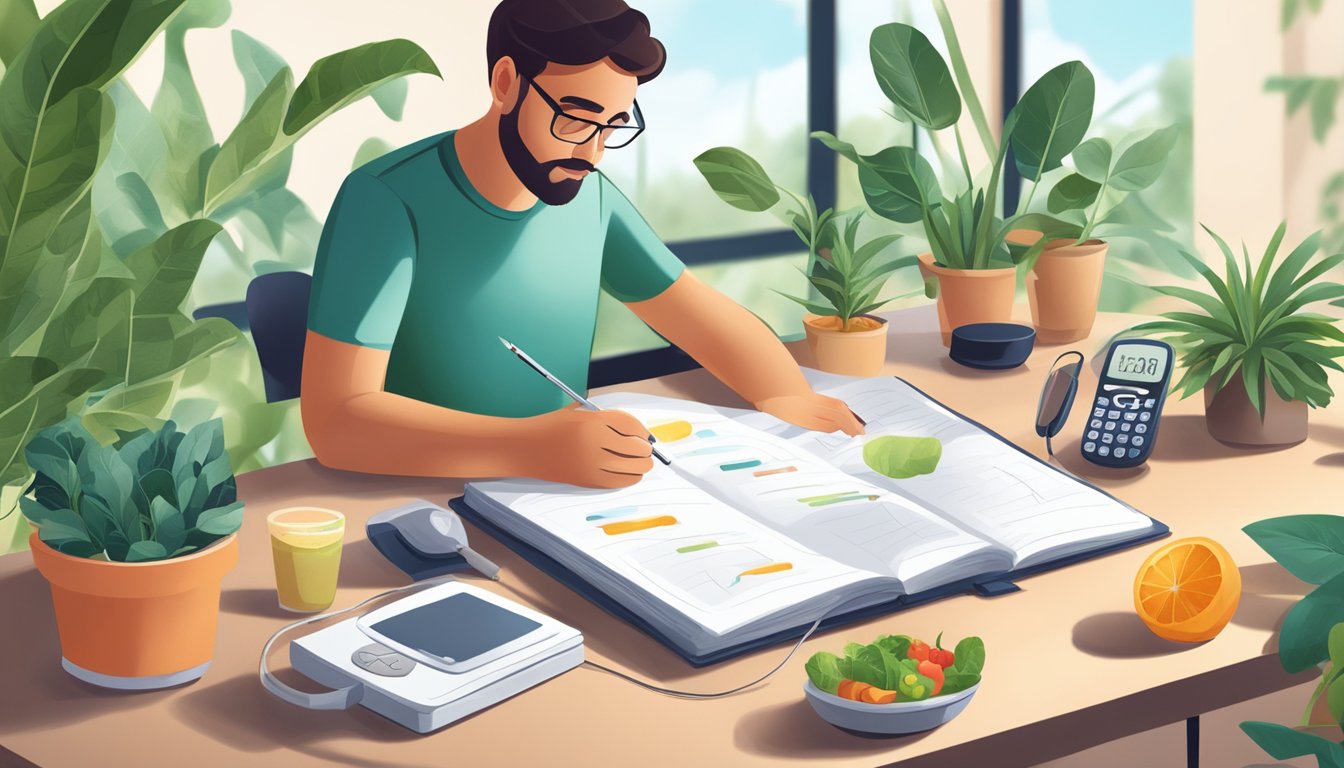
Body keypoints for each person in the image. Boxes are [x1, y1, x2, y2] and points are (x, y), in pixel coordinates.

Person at [301, 0, 865, 490]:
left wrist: (784, 397)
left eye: (614, 126)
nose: (592, 153)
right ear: (505, 84)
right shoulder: (384, 202)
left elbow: (700, 314)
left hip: (567, 487)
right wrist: (530, 447)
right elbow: (337, 423)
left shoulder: (589, 197)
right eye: (575, 118)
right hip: (419, 495)